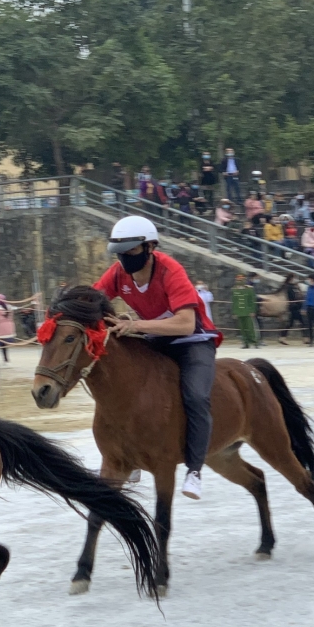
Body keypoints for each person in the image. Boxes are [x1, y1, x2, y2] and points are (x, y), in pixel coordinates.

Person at [97, 215, 219, 501]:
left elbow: (186, 323)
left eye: (131, 251)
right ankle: (130, 456)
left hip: (193, 342)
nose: (125, 258)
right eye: (120, 253)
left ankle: (195, 470)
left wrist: (136, 325)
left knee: (196, 396)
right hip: (156, 339)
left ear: (150, 247)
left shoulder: (170, 271)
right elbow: (93, 299)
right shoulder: (118, 273)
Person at [230, 274, 259, 349]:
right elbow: (234, 302)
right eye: (238, 280)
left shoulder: (249, 289)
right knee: (242, 329)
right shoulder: (234, 289)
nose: (239, 281)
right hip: (239, 312)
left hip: (247, 311)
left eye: (241, 280)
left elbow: (252, 301)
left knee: (251, 328)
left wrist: (252, 311)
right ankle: (245, 343)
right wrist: (234, 312)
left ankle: (255, 342)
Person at [279, 274, 305, 345]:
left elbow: (300, 295)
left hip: (297, 306)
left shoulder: (295, 286)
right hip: (293, 307)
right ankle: (305, 338)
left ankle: (283, 337)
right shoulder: (288, 287)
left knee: (297, 322)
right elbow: (293, 297)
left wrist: (298, 288)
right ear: (291, 278)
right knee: (293, 323)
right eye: (294, 278)